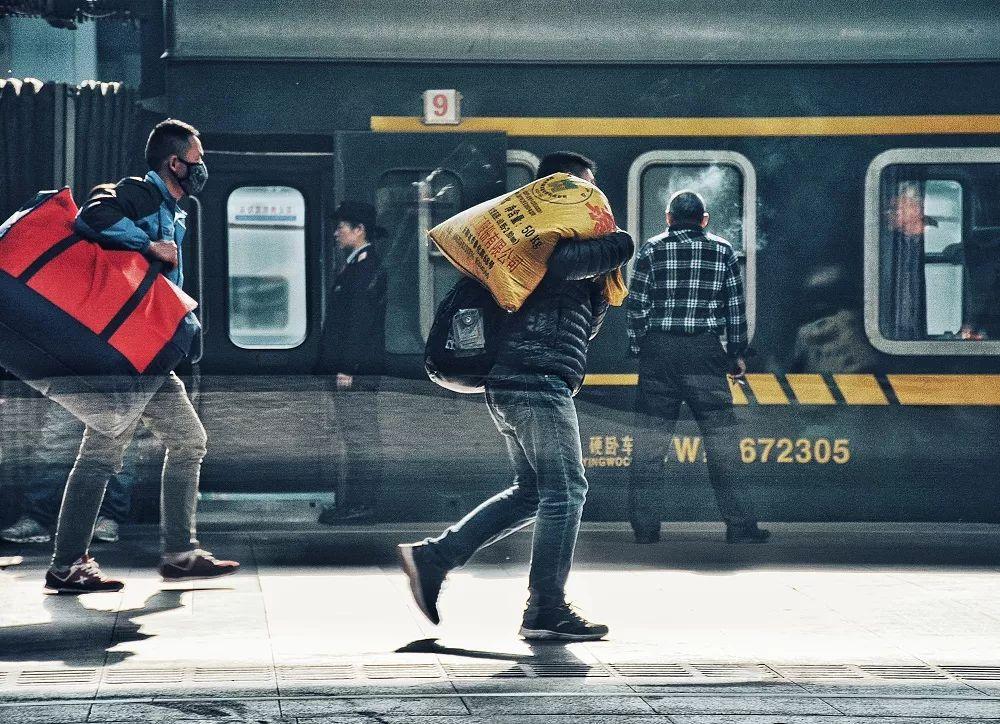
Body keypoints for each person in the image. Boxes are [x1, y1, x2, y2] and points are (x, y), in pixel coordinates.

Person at [398, 152, 634, 641]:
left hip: (523, 381)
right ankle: (546, 607)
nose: (590, 203)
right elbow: (567, 263)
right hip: (535, 381)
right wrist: (622, 242)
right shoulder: (546, 242)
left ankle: (434, 558)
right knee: (567, 492)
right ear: (555, 193)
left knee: (533, 493)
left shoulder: (536, 250)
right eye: (582, 192)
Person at [43, 119, 239, 594]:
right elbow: (93, 214)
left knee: (176, 442)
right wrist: (148, 244)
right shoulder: (140, 193)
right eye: (197, 159)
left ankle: (174, 551)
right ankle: (76, 563)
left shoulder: (175, 209)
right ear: (175, 163)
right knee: (109, 452)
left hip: (146, 349)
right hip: (128, 352)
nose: (201, 168)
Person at [626, 190, 769, 545]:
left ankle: (645, 530)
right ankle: (739, 527)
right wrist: (735, 353)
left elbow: (636, 306)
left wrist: (641, 347)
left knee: (649, 447)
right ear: (704, 220)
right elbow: (735, 308)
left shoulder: (651, 250)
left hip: (659, 353)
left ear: (668, 218)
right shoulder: (722, 251)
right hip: (704, 353)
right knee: (722, 447)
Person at [316, 201, 387, 524]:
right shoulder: (357, 265)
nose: (336, 232)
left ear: (360, 231)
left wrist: (348, 367)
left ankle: (362, 505)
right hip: (353, 369)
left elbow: (360, 322)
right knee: (355, 437)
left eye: (342, 226)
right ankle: (356, 503)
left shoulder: (366, 267)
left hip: (356, 372)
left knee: (361, 439)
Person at [0, 399, 138, 545]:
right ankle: (38, 516)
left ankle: (108, 517)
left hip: (118, 383)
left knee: (118, 444)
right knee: (57, 441)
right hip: (80, 381)